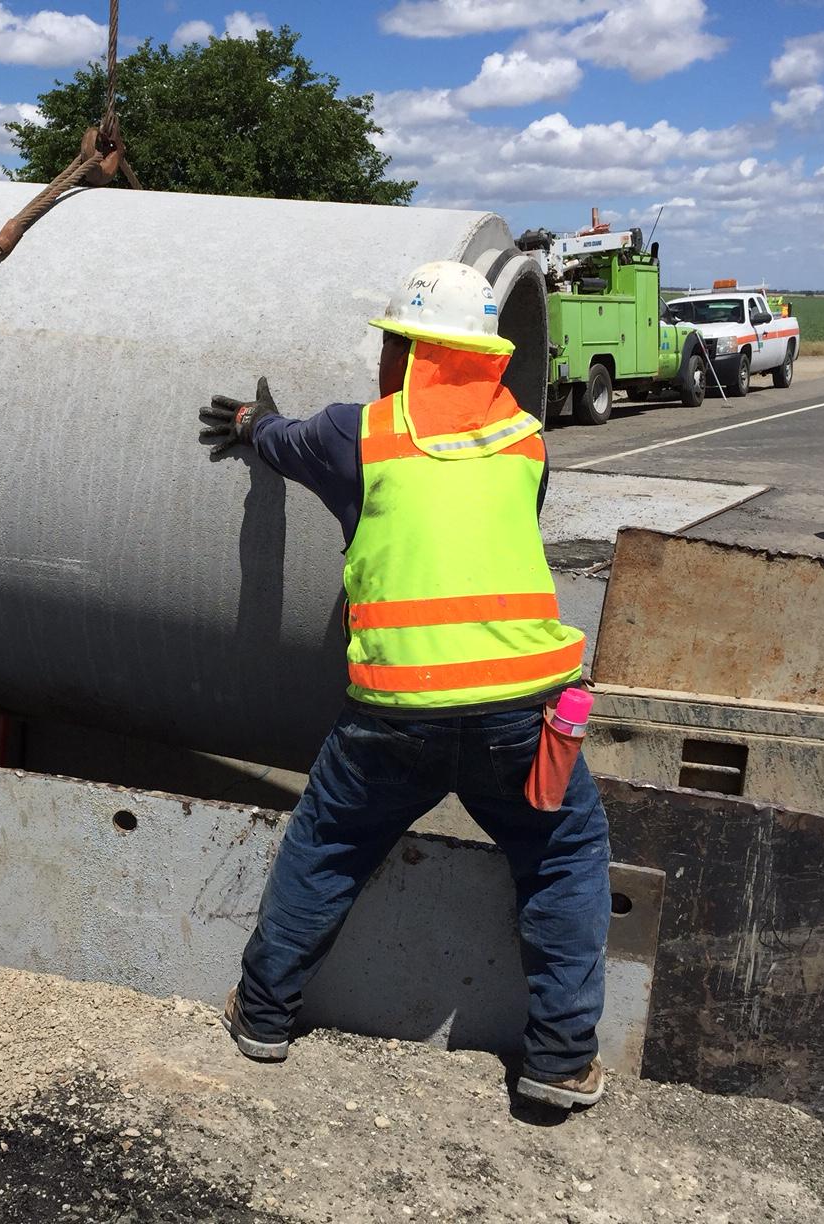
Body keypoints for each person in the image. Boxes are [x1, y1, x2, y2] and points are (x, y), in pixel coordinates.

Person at [197, 261, 612, 1110]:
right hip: (524, 714)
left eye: (394, 344)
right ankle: (561, 1059)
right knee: (563, 855)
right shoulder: (527, 443)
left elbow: (279, 440)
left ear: (411, 353)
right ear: (486, 358)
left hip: (396, 713)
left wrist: (248, 418)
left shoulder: (360, 434)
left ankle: (265, 1017)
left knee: (330, 845)